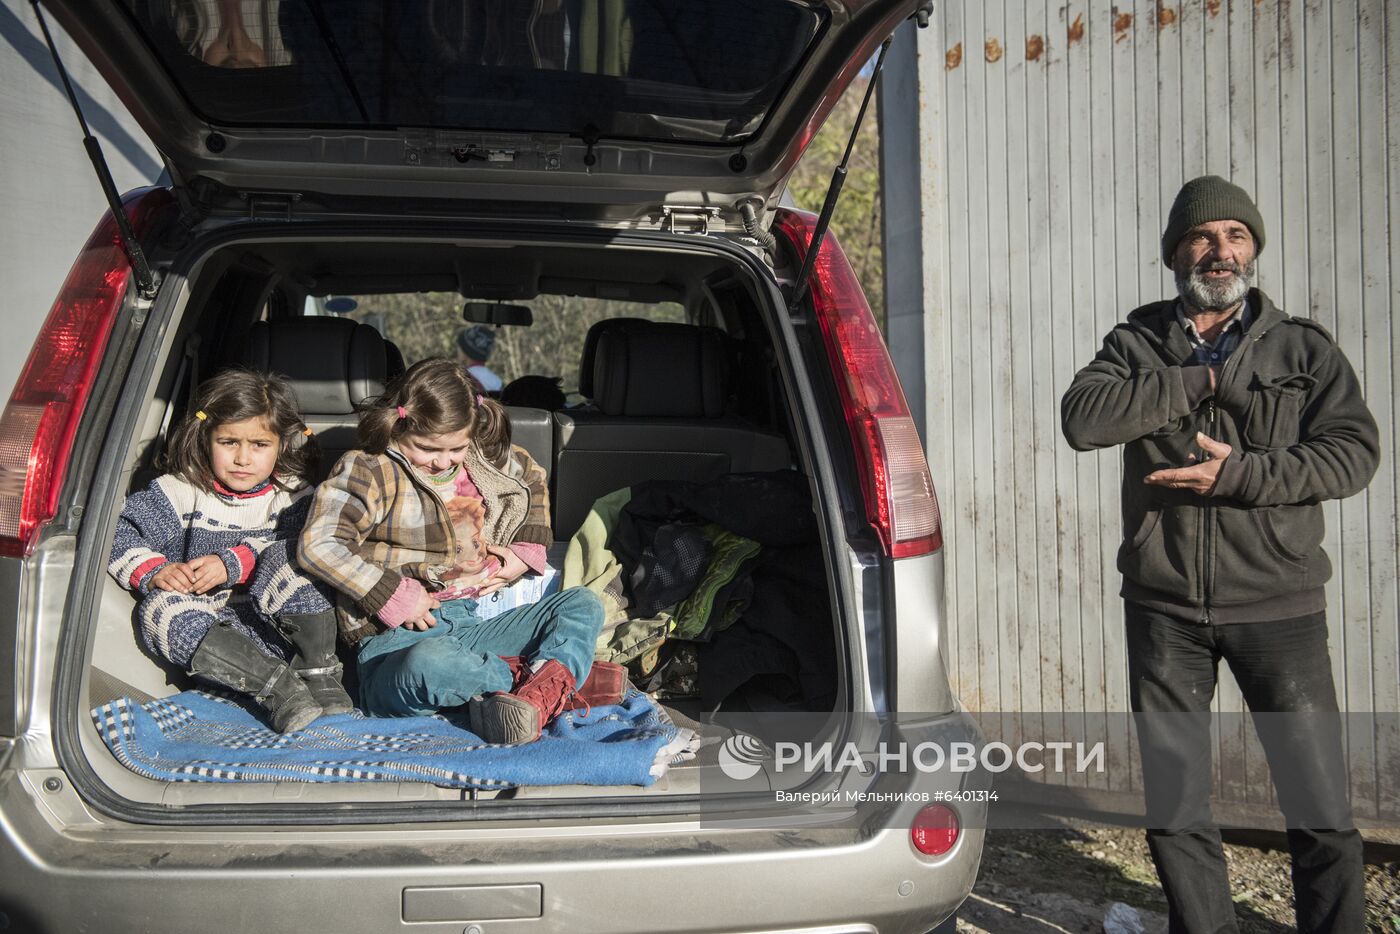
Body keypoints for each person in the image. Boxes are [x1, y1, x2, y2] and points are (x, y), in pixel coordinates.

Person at [1060, 175, 1380, 934]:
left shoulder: (1303, 348)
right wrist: (1199, 377)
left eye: (1236, 236)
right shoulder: (1135, 341)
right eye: (1203, 236)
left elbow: (1351, 456)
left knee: (1320, 803)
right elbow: (1083, 419)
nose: (1220, 249)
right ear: (1176, 252)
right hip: (1164, 608)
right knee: (1175, 805)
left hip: (1280, 606)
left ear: (1253, 251)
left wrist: (1239, 475)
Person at [298, 357, 605, 744]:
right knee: (428, 664)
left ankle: (532, 691)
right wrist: (390, 594)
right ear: (398, 422)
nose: (442, 462)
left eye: (455, 449)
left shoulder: (482, 457)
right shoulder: (367, 468)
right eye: (427, 449)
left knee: (581, 604)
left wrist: (525, 551)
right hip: (396, 643)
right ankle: (548, 685)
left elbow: (531, 477)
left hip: (473, 625)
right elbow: (318, 543)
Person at [108, 369, 351, 733]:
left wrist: (236, 562)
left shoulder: (294, 495)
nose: (242, 459)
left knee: (299, 557)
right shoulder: (177, 492)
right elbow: (119, 534)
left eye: (259, 445)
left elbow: (313, 544)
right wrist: (155, 569)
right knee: (158, 607)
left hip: (283, 636)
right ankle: (280, 693)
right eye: (229, 442)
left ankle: (320, 679)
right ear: (206, 438)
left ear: (281, 445)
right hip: (221, 651)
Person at [455, 324, 503, 392]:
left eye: (459, 347)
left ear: (465, 351)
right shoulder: (498, 382)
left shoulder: (463, 380)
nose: (457, 351)